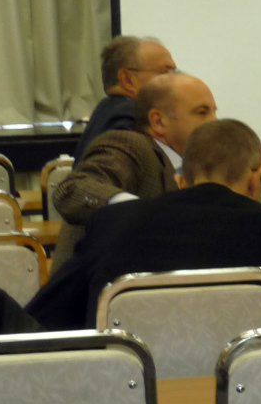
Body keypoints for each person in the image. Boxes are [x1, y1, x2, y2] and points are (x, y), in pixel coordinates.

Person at [27, 118, 261, 330]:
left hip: (130, 390)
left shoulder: (112, 224)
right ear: (256, 178)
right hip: (252, 391)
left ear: (180, 182)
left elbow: (46, 317)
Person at [50, 72, 218, 270]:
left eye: (214, 112)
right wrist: (140, 211)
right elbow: (73, 189)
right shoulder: (132, 146)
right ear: (158, 122)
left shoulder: (195, 167)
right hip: (99, 286)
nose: (214, 121)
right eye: (202, 112)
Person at [73, 36, 178, 162]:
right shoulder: (130, 121)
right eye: (165, 73)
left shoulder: (107, 111)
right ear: (128, 80)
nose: (176, 81)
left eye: (175, 72)